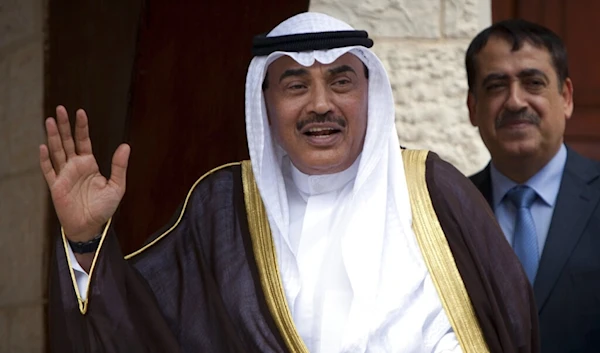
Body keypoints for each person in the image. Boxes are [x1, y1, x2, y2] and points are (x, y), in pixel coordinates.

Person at [42, 12, 538, 353]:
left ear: (371, 94)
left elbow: (509, 320)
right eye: (295, 85)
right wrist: (86, 242)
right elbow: (143, 326)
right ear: (266, 105)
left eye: (341, 81)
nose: (320, 103)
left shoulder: (433, 188)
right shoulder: (224, 208)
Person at [466, 19, 600, 353]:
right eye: (496, 86)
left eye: (533, 83)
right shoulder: (446, 212)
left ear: (566, 97)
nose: (515, 102)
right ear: (472, 107)